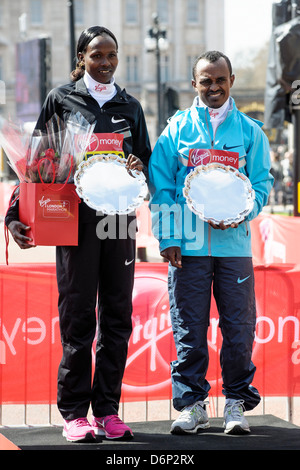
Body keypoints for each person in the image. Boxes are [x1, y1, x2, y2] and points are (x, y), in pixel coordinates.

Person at [5, 26, 151, 443]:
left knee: (118, 317)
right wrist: (16, 214)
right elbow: (35, 164)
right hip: (73, 223)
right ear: (81, 57)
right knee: (78, 318)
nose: (105, 63)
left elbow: (143, 157)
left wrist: (139, 167)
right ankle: (74, 413)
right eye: (97, 55)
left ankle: (107, 410)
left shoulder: (131, 105)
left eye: (112, 55)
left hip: (120, 221)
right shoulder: (61, 99)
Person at [148, 51, 273, 435]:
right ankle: (192, 405)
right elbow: (161, 184)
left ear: (231, 80)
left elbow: (263, 184)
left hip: (234, 247)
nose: (214, 87)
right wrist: (168, 236)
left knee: (238, 328)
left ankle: (235, 404)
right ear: (194, 84)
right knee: (189, 328)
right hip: (187, 248)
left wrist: (247, 209)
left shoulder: (251, 132)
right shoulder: (177, 129)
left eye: (220, 80)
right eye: (206, 81)